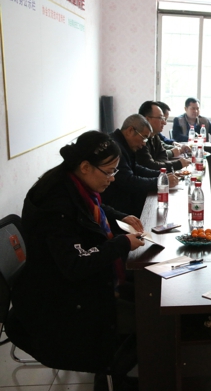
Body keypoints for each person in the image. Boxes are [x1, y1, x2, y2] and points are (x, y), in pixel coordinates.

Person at [6, 131, 146, 390]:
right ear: (85, 167)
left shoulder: (72, 184)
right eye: (109, 172)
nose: (113, 178)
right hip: (60, 300)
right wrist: (122, 243)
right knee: (151, 318)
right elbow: (75, 265)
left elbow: (92, 210)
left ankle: (115, 369)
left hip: (70, 283)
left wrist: (120, 217)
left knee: (145, 291)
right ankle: (114, 374)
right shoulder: (54, 204)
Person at [102, 114, 178, 217]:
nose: (144, 144)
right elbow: (128, 181)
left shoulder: (124, 144)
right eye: (144, 138)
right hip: (117, 207)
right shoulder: (114, 147)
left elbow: (136, 168)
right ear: (130, 131)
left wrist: (162, 175)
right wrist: (160, 182)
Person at [136, 101, 191, 172]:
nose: (164, 122)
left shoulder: (155, 135)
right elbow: (150, 166)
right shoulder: (140, 139)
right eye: (160, 118)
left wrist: (157, 163)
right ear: (147, 119)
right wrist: (178, 164)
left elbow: (163, 155)